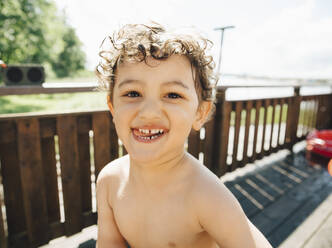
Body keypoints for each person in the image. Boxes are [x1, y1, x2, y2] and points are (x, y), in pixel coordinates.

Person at [95, 22, 272, 248]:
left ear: (200, 112)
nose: (149, 112)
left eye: (172, 95)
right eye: (132, 93)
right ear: (113, 107)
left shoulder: (206, 194)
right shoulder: (109, 181)